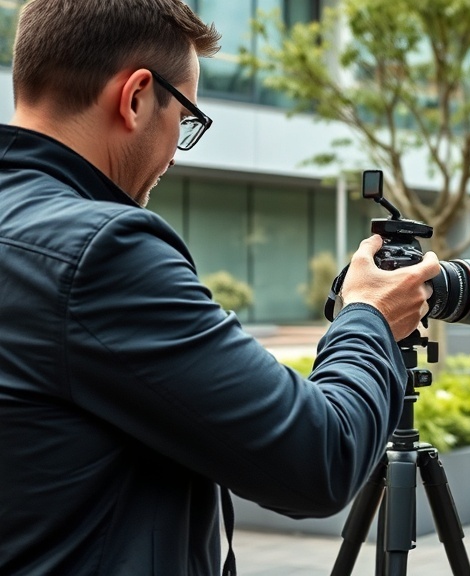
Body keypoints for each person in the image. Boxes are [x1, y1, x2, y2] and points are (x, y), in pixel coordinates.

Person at [0, 1, 440, 574]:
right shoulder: (102, 252)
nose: (172, 158)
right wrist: (369, 315)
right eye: (185, 119)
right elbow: (319, 460)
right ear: (135, 97)